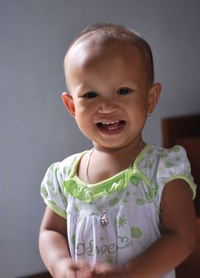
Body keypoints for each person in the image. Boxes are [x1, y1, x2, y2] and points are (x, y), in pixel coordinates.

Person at [39, 23, 197, 278]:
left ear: (150, 99)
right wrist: (59, 264)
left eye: (123, 91)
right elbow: (51, 232)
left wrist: (128, 272)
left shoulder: (162, 170)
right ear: (71, 106)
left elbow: (182, 237)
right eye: (90, 94)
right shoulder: (65, 177)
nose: (107, 106)